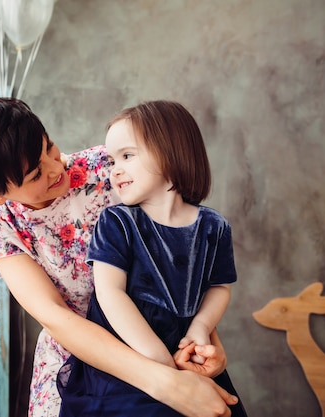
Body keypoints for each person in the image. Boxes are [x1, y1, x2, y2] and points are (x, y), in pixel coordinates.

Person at [0, 95, 239, 417]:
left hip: (159, 337)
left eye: (49, 147)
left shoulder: (108, 169)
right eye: (36, 174)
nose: (56, 168)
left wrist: (204, 340)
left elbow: (179, 261)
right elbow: (53, 314)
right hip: (78, 356)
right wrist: (164, 382)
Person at [57, 100, 247, 416]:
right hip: (129, 356)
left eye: (127, 156)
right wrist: (160, 363)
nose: (114, 169)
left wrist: (200, 328)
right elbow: (109, 293)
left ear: (171, 153)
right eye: (111, 160)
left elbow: (219, 287)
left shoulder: (213, 226)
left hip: (183, 349)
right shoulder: (117, 221)